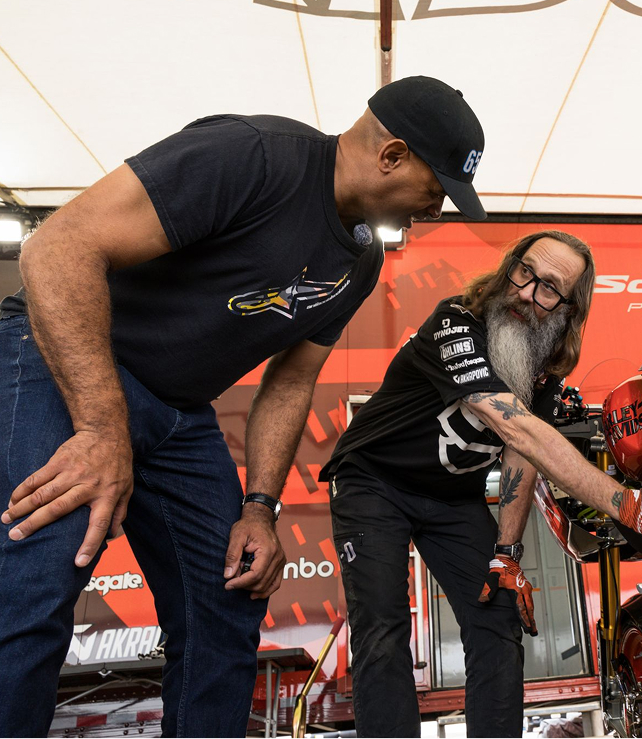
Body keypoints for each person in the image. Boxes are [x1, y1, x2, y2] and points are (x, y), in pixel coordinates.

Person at [0, 75, 487, 737]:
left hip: (178, 409)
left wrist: (260, 505)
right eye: (435, 192)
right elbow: (56, 248)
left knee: (228, 596)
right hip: (63, 360)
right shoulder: (253, 155)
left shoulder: (360, 261)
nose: (434, 210)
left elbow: (289, 383)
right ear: (392, 155)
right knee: (38, 577)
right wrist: (100, 425)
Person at [321, 230, 642, 737]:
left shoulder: (541, 363)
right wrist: (624, 503)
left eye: (549, 288)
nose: (526, 292)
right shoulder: (455, 321)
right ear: (509, 266)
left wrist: (506, 552)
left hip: (453, 499)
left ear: (568, 309)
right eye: (525, 271)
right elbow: (516, 427)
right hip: (374, 482)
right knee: (383, 633)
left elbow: (522, 456)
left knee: (498, 619)